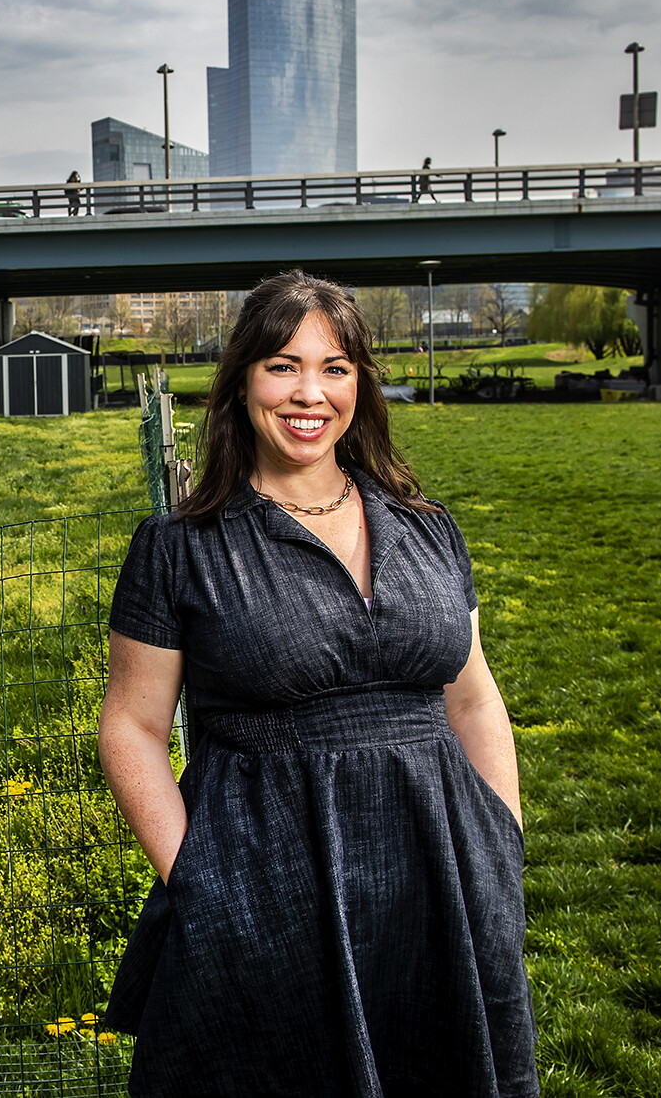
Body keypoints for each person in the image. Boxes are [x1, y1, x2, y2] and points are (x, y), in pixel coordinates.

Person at [99, 269, 536, 1096]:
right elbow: (130, 726)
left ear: (360, 384)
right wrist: (198, 879)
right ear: (242, 380)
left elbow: (473, 696)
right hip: (267, 897)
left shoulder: (428, 527)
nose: (311, 392)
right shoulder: (180, 549)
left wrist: (498, 844)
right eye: (283, 365)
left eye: (335, 367)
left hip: (442, 884)